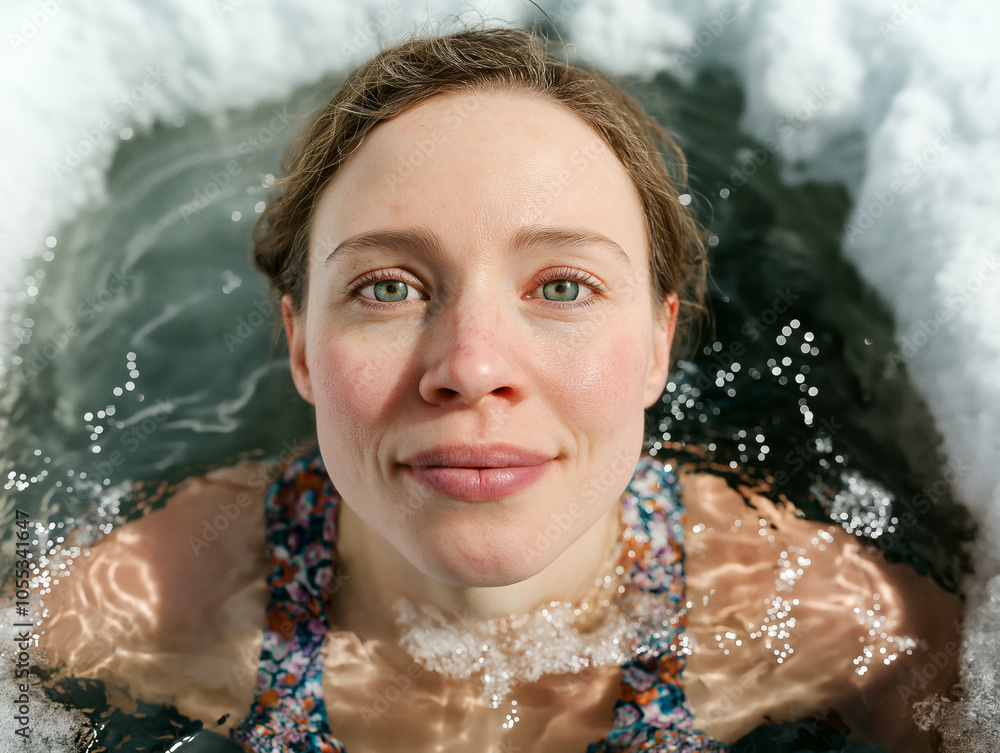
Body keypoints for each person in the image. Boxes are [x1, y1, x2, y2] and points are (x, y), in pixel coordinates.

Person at [39, 24, 962, 753]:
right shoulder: (163, 601)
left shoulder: (813, 616)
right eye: (388, 287)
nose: (474, 366)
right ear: (303, 348)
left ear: (656, 344)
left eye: (562, 286)